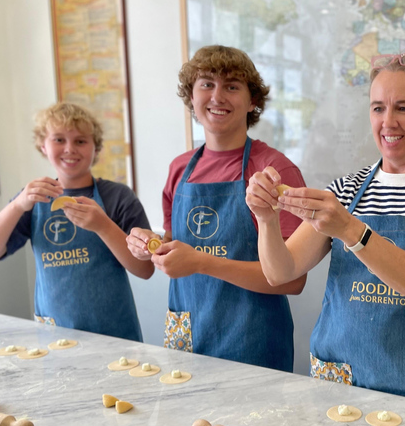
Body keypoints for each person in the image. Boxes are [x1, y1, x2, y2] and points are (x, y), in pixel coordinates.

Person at [246, 52, 405, 406]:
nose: (388, 122)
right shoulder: (345, 189)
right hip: (337, 380)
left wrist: (351, 230)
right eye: (378, 108)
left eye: (403, 108)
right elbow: (281, 272)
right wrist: (265, 219)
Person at [126, 46, 306, 372]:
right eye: (206, 84)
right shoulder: (180, 168)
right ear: (191, 97)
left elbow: (292, 281)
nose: (217, 96)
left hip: (251, 342)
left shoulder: (275, 170)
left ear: (253, 101)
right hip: (186, 338)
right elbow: (172, 242)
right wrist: (149, 244)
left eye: (232, 86)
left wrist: (201, 262)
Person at [0, 102, 152, 341]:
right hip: (54, 338)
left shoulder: (118, 197)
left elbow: (145, 269)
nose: (69, 149)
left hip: (115, 333)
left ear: (95, 148)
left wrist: (103, 226)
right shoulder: (32, 200)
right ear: (42, 146)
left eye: (80, 141)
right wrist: (17, 205)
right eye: (58, 140)